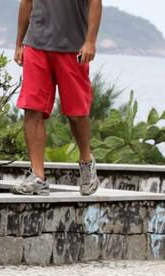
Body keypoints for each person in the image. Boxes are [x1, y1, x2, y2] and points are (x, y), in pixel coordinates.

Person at [11, 0, 102, 196]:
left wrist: (90, 41)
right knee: (31, 108)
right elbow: (27, 2)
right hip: (36, 44)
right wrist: (19, 44)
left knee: (77, 114)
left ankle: (86, 162)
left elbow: (95, 2)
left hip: (73, 48)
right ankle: (37, 176)